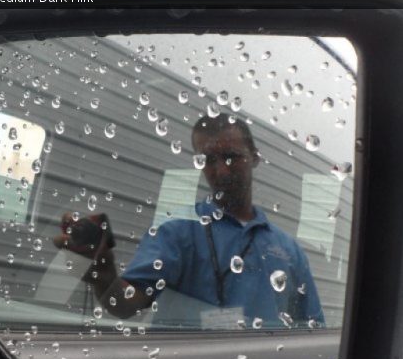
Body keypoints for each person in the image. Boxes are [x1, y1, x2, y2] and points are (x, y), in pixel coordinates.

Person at [75, 114, 325, 329]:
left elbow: (312, 330)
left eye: (231, 157)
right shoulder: (177, 230)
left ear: (255, 157)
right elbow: (125, 305)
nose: (222, 171)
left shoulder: (291, 251)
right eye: (208, 160)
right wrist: (102, 268)